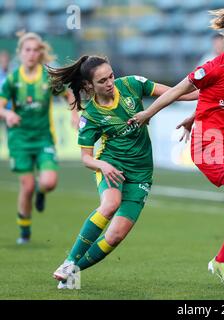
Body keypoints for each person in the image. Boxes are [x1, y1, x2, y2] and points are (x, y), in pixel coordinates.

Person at [130, 8, 224, 288]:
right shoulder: (211, 68)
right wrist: (147, 114)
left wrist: (195, 115)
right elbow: (177, 90)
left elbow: (217, 98)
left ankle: (220, 260)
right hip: (208, 144)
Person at [47, 55, 198, 289]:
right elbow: (86, 158)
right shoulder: (91, 116)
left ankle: (72, 272)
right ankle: (69, 261)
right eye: (102, 80)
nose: (110, 83)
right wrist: (103, 165)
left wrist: (211, 92)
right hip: (112, 165)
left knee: (115, 236)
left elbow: (178, 93)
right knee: (110, 204)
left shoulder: (131, 84)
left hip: (141, 172)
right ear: (89, 86)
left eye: (111, 76)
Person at [0, 32, 77, 245]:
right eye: (27, 50)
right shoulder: (13, 80)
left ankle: (41, 191)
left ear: (40, 53)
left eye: (35, 50)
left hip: (44, 138)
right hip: (20, 140)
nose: (32, 54)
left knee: (50, 182)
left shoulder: (48, 78)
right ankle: (24, 232)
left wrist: (73, 113)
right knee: (26, 187)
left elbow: (69, 94)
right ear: (20, 53)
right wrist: (8, 114)